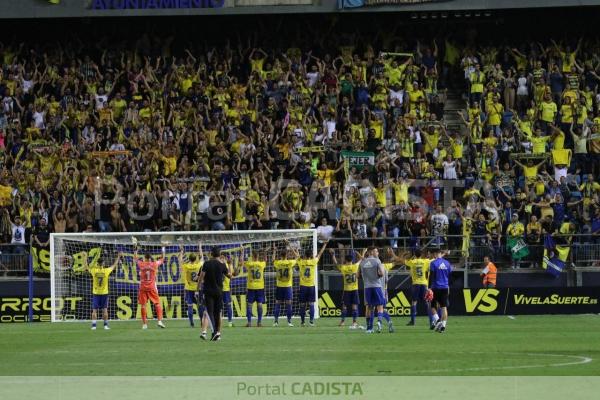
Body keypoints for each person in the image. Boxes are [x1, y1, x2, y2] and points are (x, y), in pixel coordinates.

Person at [197, 246, 232, 341]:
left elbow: (201, 277)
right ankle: (218, 333)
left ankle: (214, 332)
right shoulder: (222, 265)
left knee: (210, 312)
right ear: (220, 255)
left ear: (211, 254)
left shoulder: (207, 264)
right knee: (218, 312)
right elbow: (230, 276)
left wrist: (198, 287)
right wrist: (227, 265)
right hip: (219, 292)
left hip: (208, 292)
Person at [391, 248, 432, 326]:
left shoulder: (412, 262)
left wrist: (403, 254)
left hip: (415, 284)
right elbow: (434, 260)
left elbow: (400, 260)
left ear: (414, 255)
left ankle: (413, 321)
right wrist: (444, 254)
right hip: (424, 284)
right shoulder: (426, 261)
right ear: (422, 255)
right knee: (427, 302)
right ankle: (431, 321)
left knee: (414, 302)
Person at [330, 248, 365, 329]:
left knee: (344, 307)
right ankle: (354, 322)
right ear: (352, 260)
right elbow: (361, 259)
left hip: (347, 290)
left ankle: (342, 322)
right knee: (354, 307)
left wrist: (333, 255)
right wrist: (363, 252)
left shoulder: (343, 268)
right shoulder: (355, 266)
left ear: (345, 260)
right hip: (354, 290)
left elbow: (336, 264)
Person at [296, 242, 329, 327]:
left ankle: (302, 322)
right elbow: (320, 253)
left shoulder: (301, 262)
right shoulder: (314, 261)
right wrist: (325, 245)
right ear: (311, 255)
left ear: (305, 255)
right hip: (311, 286)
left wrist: (293, 248)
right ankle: (311, 321)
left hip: (303, 286)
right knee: (311, 304)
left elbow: (296, 255)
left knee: (302, 304)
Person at [133, 246, 167, 329]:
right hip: (152, 287)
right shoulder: (154, 264)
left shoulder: (141, 264)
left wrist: (136, 249)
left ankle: (144, 324)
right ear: (151, 258)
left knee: (143, 305)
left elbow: (135, 258)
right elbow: (163, 259)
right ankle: (159, 321)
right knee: (157, 303)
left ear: (144, 258)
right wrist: (163, 248)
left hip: (143, 288)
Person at [87, 253, 121, 330]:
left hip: (96, 293)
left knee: (94, 310)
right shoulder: (106, 271)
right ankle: (105, 325)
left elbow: (86, 267)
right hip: (104, 293)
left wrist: (84, 258)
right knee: (105, 310)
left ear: (97, 263)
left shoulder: (94, 271)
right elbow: (114, 265)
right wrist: (118, 257)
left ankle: (94, 326)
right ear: (103, 263)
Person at [359, 246, 386, 334]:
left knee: (369, 307)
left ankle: (369, 328)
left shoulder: (362, 262)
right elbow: (381, 273)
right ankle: (379, 321)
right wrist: (377, 275)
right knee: (380, 305)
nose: (377, 253)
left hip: (367, 287)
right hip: (377, 286)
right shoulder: (377, 261)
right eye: (376, 251)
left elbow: (357, 276)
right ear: (371, 252)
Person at [179, 243, 204, 328]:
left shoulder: (186, 266)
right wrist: (200, 247)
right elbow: (202, 257)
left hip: (188, 288)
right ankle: (201, 321)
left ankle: (191, 323)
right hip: (198, 288)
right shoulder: (199, 265)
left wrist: (181, 251)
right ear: (195, 258)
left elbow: (180, 261)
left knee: (190, 306)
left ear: (189, 259)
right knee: (200, 305)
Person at [273, 247, 299, 326]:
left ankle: (276, 322)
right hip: (288, 286)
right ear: (286, 255)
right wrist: (294, 250)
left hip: (279, 286)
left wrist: (274, 251)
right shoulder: (290, 262)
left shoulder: (277, 263)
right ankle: (289, 322)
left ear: (280, 255)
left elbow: (273, 259)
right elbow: (297, 257)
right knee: (289, 304)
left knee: (278, 303)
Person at [429, 249, 452, 333]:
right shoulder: (447, 263)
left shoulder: (433, 263)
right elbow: (450, 277)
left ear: (435, 254)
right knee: (444, 307)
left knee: (433, 306)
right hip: (445, 287)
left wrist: (429, 288)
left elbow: (431, 276)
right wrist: (448, 286)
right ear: (441, 253)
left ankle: (438, 321)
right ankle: (443, 326)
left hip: (436, 287)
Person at [243, 250, 266, 327]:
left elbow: (241, 261)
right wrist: (265, 252)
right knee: (259, 304)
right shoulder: (261, 264)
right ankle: (259, 322)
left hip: (251, 287)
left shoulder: (249, 264)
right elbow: (265, 260)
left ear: (252, 256)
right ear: (258, 256)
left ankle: (249, 322)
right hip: (260, 287)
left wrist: (242, 251)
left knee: (249, 305)